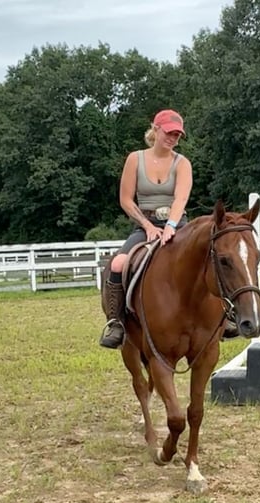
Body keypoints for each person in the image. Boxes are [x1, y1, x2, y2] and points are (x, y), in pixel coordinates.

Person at [99, 109, 192, 349]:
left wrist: (171, 226)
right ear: (156, 129)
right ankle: (116, 323)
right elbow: (126, 200)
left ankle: (225, 317)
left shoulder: (182, 163)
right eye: (169, 133)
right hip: (144, 224)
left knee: (205, 258)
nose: (173, 138)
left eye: (177, 135)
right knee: (118, 264)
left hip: (177, 223)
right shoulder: (135, 159)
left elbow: (181, 199)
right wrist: (149, 227)